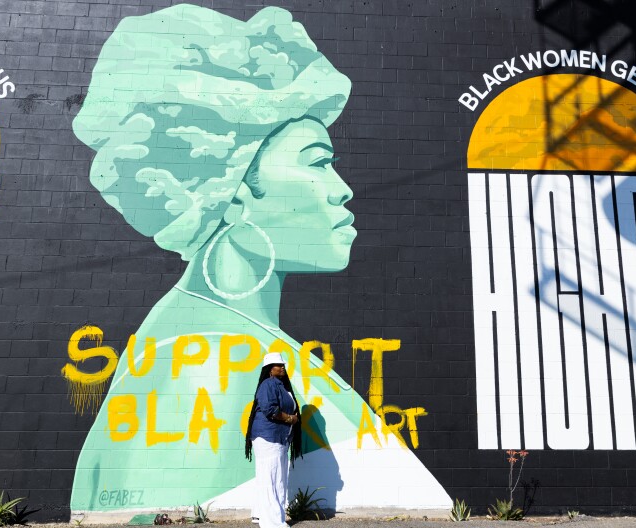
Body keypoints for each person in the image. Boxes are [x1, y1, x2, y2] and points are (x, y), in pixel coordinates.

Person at [69, 3, 450, 516]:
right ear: (232, 191)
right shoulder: (200, 362)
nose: (344, 190)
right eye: (318, 162)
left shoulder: (236, 341)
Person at [245, 353, 301, 528]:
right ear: (270, 369)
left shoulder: (280, 385)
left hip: (276, 437)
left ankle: (260, 515)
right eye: (278, 364)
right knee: (274, 478)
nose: (282, 367)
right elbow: (270, 409)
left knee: (267, 476)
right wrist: (291, 419)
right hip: (269, 437)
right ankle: (273, 522)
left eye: (283, 364)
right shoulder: (268, 384)